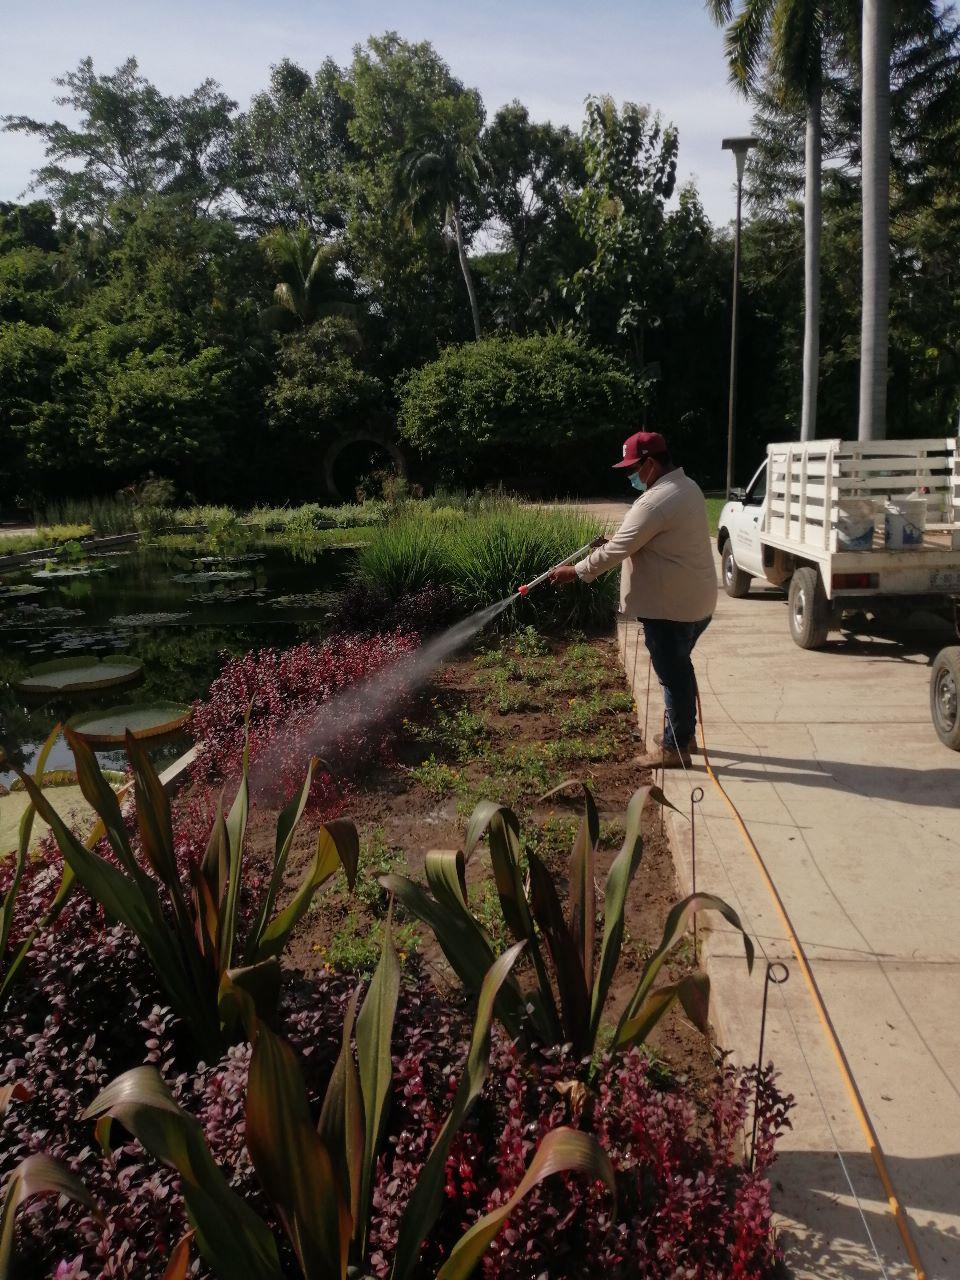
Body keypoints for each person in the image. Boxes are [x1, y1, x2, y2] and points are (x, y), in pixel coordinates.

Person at [550, 429, 717, 768]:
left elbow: (618, 551)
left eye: (633, 469)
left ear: (651, 464)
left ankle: (676, 747)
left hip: (671, 608)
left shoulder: (655, 501)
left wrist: (577, 571)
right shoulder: (686, 488)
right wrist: (616, 539)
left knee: (673, 674)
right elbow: (648, 538)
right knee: (680, 668)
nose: (631, 476)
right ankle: (683, 734)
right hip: (695, 602)